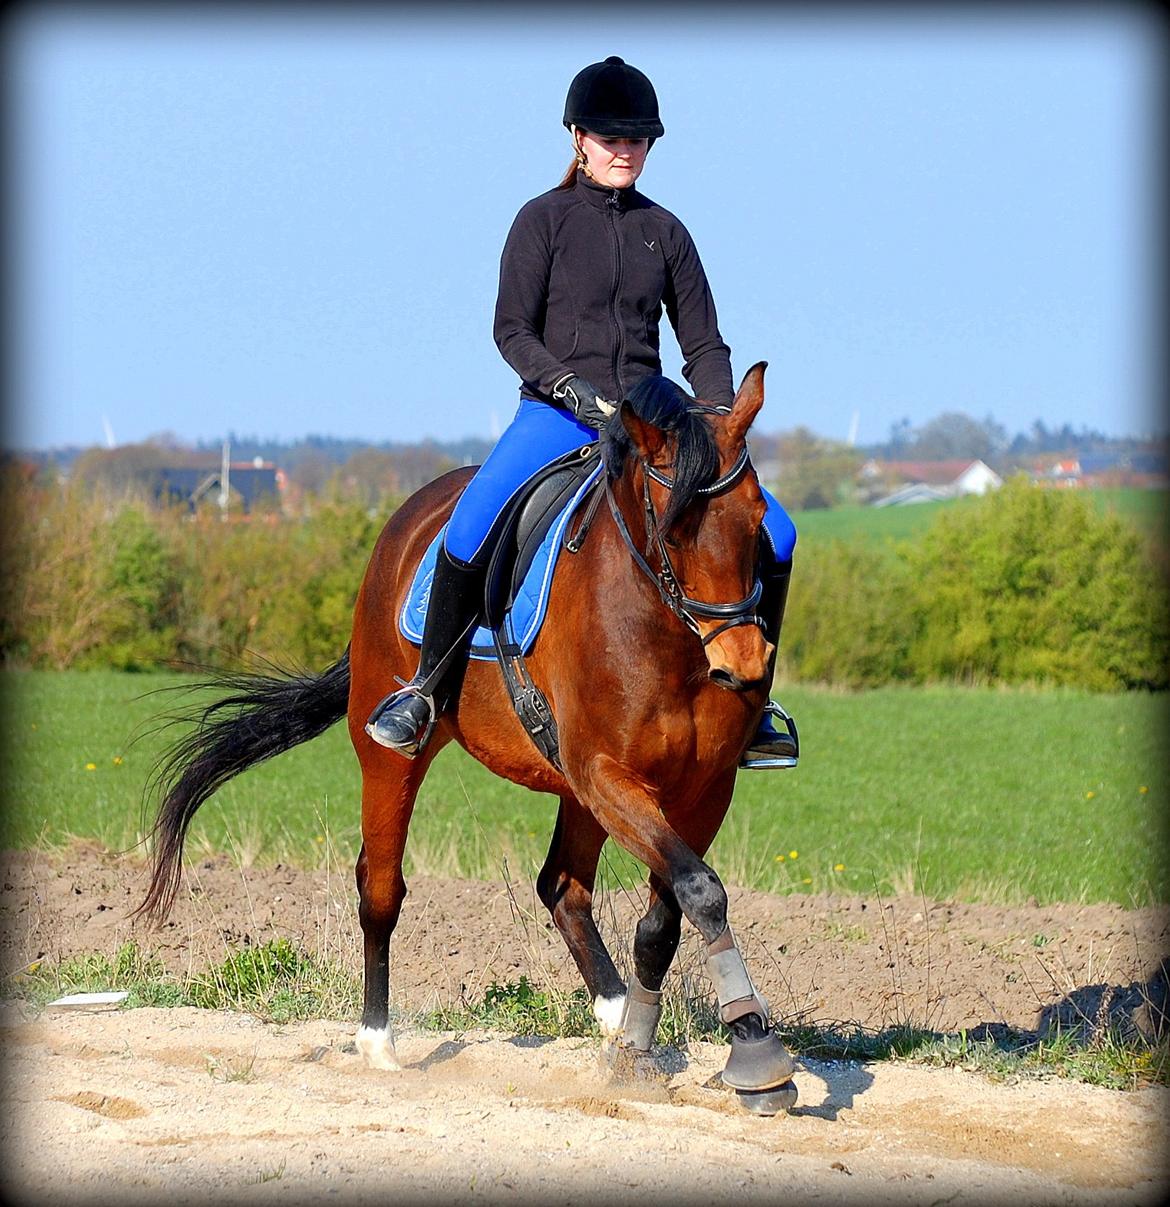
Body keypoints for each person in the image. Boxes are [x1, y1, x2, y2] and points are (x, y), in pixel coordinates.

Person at [366, 55, 798, 768]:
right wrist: (568, 388)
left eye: (637, 141)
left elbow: (703, 343)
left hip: (654, 424)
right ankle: (424, 689)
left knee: (775, 531)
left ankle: (754, 709)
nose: (624, 151)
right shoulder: (542, 221)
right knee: (472, 521)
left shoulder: (668, 232)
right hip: (557, 415)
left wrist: (717, 418)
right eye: (610, 139)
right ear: (578, 138)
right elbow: (511, 331)